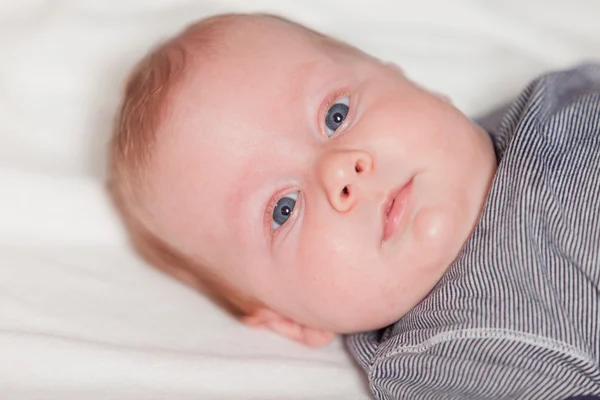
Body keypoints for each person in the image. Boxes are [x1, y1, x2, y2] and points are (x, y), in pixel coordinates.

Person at [108, 13, 600, 399]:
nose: (339, 171)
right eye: (283, 209)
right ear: (292, 320)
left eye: (336, 115)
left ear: (408, 81)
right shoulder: (457, 352)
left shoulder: (546, 107)